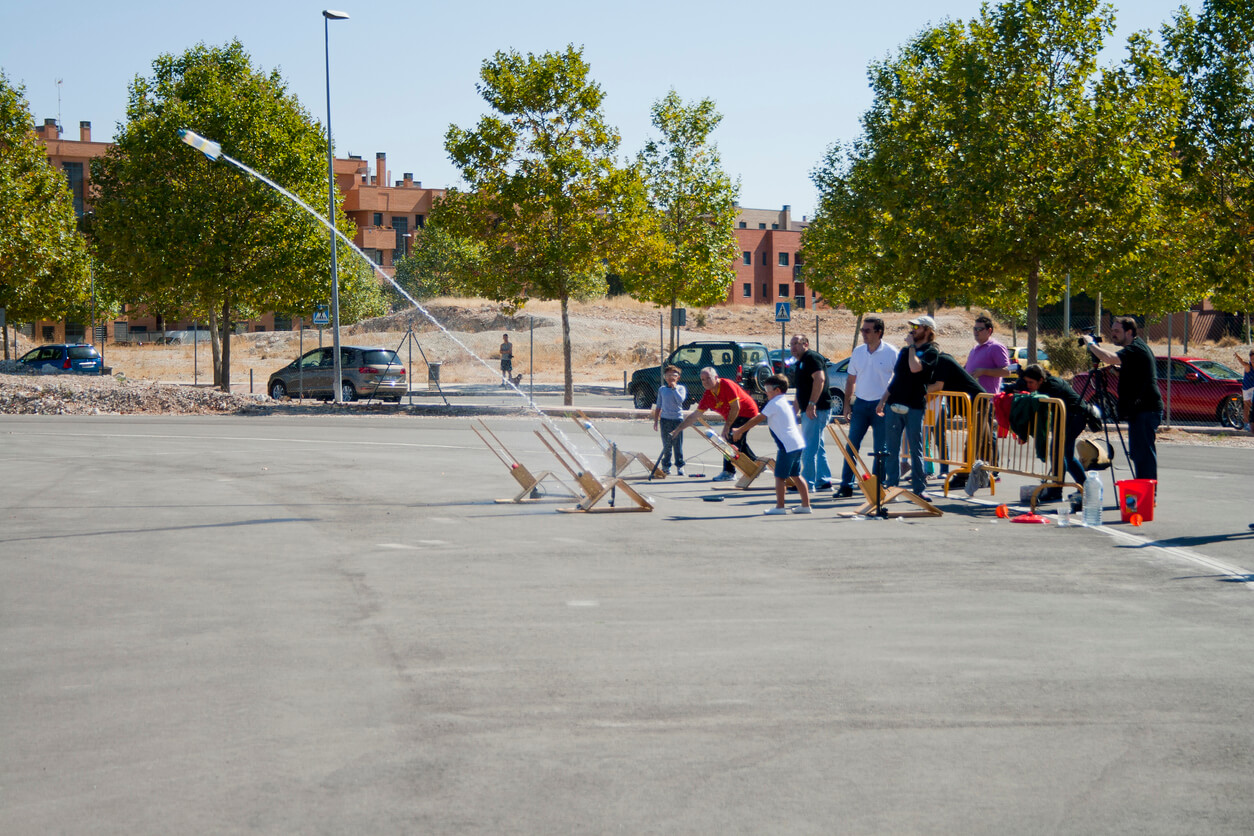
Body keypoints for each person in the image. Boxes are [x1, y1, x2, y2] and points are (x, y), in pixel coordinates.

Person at [1083, 316, 1163, 481]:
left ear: (1129, 332)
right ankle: (1142, 490)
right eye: (1112, 330)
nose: (1113, 334)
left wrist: (1091, 344)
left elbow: (1110, 358)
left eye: (1117, 331)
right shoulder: (1134, 350)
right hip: (1138, 410)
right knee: (1137, 452)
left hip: (1146, 409)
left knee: (1143, 454)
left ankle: (1147, 493)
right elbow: (1135, 372)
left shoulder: (1136, 348)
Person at [878, 315, 939, 496]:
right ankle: (891, 487)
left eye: (917, 327)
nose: (913, 330)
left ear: (927, 330)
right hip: (894, 403)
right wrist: (883, 400)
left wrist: (912, 346)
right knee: (892, 448)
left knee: (915, 448)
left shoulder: (931, 351)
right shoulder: (905, 351)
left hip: (914, 406)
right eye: (912, 326)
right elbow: (897, 378)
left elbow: (915, 368)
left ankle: (920, 489)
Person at [731, 374, 811, 514]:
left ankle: (780, 507)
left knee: (780, 477)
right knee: (796, 475)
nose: (766, 391)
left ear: (778, 390)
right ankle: (805, 506)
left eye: (768, 388)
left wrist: (740, 430)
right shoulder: (783, 402)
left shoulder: (774, 403)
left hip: (787, 446)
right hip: (797, 444)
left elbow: (758, 418)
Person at [836, 316, 898, 498]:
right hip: (861, 404)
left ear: (879, 332)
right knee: (851, 446)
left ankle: (877, 487)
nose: (863, 333)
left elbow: (898, 380)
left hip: (882, 405)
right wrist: (847, 404)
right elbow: (850, 379)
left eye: (867, 330)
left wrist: (887, 401)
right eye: (862, 330)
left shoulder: (891, 352)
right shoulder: (858, 352)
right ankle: (846, 485)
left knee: (881, 450)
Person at [1012, 364, 1095, 489]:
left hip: (1075, 417)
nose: (1028, 385)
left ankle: (1056, 489)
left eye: (1031, 382)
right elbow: (1021, 388)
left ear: (1041, 380)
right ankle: (1085, 487)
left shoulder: (1053, 385)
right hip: (1064, 418)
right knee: (1066, 455)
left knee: (1057, 452)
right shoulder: (1039, 383)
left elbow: (1040, 399)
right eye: (1026, 382)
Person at [671, 366, 760, 482]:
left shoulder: (726, 385)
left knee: (728, 440)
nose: (705, 382)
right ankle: (756, 462)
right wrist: (678, 430)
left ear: (716, 377)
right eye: (703, 379)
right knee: (738, 443)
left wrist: (727, 427)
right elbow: (695, 415)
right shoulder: (708, 395)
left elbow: (735, 407)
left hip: (746, 412)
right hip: (734, 416)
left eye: (708, 378)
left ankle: (729, 472)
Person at [789, 334, 832, 491]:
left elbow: (819, 380)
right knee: (817, 445)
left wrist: (812, 404)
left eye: (796, 343)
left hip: (817, 409)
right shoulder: (801, 362)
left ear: (806, 344)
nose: (793, 347)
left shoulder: (811, 358)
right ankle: (824, 480)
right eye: (791, 344)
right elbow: (801, 390)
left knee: (808, 447)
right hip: (811, 408)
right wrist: (793, 412)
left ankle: (806, 483)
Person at [650, 364, 686, 475]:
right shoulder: (662, 389)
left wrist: (674, 388)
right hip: (665, 419)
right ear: (665, 377)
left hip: (677, 420)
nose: (671, 377)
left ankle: (680, 466)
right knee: (666, 444)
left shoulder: (680, 388)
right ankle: (666, 465)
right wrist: (656, 421)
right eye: (668, 375)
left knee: (677, 444)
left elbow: (680, 400)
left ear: (678, 377)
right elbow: (659, 406)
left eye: (673, 375)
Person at [964, 315, 1012, 394]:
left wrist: (984, 371)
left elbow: (1007, 371)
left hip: (986, 400)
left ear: (989, 331)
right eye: (975, 329)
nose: (976, 331)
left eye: (980, 329)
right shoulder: (974, 349)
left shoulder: (996, 347)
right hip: (971, 399)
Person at [1235, 349, 1254, 432]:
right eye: (1252, 359)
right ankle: (1246, 424)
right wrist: (1238, 357)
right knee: (1247, 406)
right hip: (1247, 388)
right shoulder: (1248, 366)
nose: (1253, 361)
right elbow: (1242, 362)